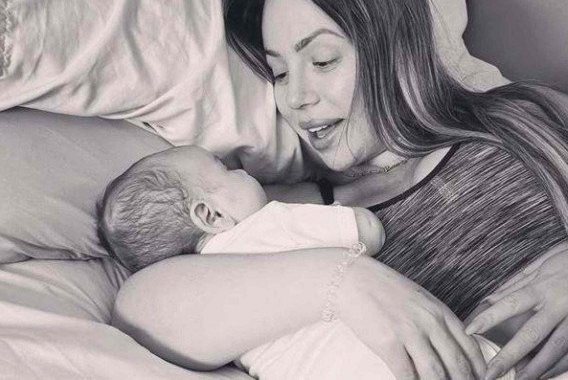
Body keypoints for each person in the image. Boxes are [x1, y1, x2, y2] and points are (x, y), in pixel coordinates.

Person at [112, 0, 568, 379]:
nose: (295, 98)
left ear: (394, 43)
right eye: (279, 73)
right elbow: (143, 309)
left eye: (322, 61)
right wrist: (342, 282)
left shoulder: (528, 114)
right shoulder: (295, 214)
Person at [97, 145, 514, 380]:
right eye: (225, 169)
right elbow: (368, 230)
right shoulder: (272, 224)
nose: (243, 171)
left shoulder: (215, 303)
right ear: (211, 214)